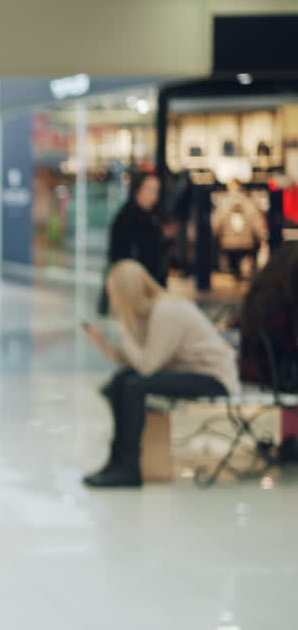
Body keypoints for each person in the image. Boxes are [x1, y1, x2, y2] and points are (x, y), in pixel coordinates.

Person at [82, 260, 240, 487]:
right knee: (121, 380)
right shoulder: (150, 312)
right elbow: (133, 363)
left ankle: (128, 468)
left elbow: (146, 368)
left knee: (133, 385)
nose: (113, 300)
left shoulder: (166, 310)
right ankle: (116, 463)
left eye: (114, 293)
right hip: (188, 372)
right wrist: (102, 343)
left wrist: (123, 329)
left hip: (213, 377)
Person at [237, 241, 298, 460]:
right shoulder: (288, 302)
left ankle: (292, 442)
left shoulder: (263, 295)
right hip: (279, 376)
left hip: (258, 371)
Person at [100, 172, 166, 315]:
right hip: (132, 292)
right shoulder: (125, 218)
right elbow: (119, 257)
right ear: (137, 190)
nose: (153, 196)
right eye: (149, 189)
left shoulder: (153, 216)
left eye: (156, 190)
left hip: (150, 289)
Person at [212, 179, 268, 281]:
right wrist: (262, 237)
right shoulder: (249, 202)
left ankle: (235, 276)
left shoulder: (223, 204)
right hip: (247, 243)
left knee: (233, 268)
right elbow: (257, 223)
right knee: (246, 268)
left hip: (228, 244)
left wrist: (213, 236)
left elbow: (216, 224)